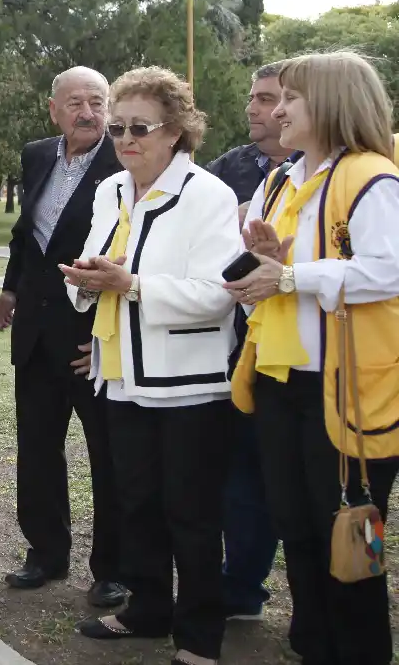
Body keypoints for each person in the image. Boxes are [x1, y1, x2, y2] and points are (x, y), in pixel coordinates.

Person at [61, 67, 241, 665]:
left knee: (190, 515)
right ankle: (146, 610)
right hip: (120, 377)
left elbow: (218, 294)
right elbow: (92, 271)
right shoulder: (112, 190)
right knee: (134, 502)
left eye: (140, 127)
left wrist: (131, 285)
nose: (125, 139)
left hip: (189, 386)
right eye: (116, 128)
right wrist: (84, 284)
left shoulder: (207, 195)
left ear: (177, 131)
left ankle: (199, 638)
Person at [225, 51, 399, 665]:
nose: (277, 111)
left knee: (355, 536)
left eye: (289, 100)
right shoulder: (278, 181)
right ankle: (314, 646)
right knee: (296, 528)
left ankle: (362, 652)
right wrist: (260, 269)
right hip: (279, 382)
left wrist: (291, 274)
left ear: (327, 104)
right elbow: (272, 274)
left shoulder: (373, 175)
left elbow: (388, 270)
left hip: (351, 392)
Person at [0, 66, 126, 609]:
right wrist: (9, 293)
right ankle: (46, 553)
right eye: (75, 103)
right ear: (54, 110)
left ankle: (113, 568)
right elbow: (30, 235)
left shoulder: (127, 162)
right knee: (38, 449)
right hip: (36, 335)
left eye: (97, 102)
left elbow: (131, 253)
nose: (87, 112)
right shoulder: (37, 155)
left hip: (91, 340)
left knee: (108, 456)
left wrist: (104, 336)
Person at [204, 62, 290, 621]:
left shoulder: (356, 176)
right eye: (254, 98)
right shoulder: (232, 169)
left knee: (322, 495)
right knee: (241, 475)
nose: (257, 109)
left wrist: (286, 272)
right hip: (239, 344)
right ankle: (240, 589)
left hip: (321, 364)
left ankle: (338, 614)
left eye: (272, 99)